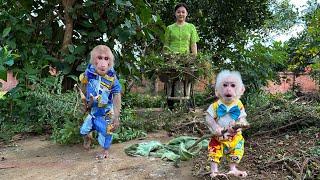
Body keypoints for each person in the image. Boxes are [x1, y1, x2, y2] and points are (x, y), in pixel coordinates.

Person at [79, 45, 122, 159]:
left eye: (106, 59)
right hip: (93, 110)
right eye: (100, 58)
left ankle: (105, 150)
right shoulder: (89, 73)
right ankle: (88, 136)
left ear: (110, 62)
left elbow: (117, 96)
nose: (103, 64)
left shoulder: (112, 79)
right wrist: (84, 102)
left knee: (107, 131)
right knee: (83, 130)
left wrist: (116, 116)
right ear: (94, 60)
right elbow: (83, 86)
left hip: (106, 112)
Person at [205, 70, 250, 178]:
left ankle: (233, 168)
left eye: (233, 85)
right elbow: (208, 118)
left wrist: (239, 125)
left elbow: (243, 118)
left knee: (237, 149)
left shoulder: (239, 105)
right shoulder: (215, 106)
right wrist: (215, 127)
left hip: (234, 137)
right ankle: (214, 171)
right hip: (219, 136)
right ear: (217, 91)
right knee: (214, 151)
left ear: (241, 90)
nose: (228, 89)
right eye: (225, 85)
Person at [163, 3, 200, 109]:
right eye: (178, 12)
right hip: (172, 59)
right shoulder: (169, 28)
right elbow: (166, 45)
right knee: (170, 79)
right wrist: (166, 57)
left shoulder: (191, 27)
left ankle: (188, 103)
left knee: (188, 79)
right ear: (175, 14)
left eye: (183, 12)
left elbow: (193, 44)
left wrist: (195, 57)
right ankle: (169, 104)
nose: (181, 14)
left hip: (186, 59)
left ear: (186, 13)